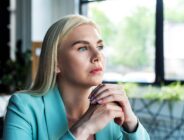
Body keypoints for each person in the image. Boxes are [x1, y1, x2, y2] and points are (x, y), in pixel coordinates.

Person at [3, 15, 150, 140]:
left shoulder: (112, 112)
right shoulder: (23, 107)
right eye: (82, 48)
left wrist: (131, 123)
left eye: (99, 47)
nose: (97, 56)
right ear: (55, 63)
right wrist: (83, 128)